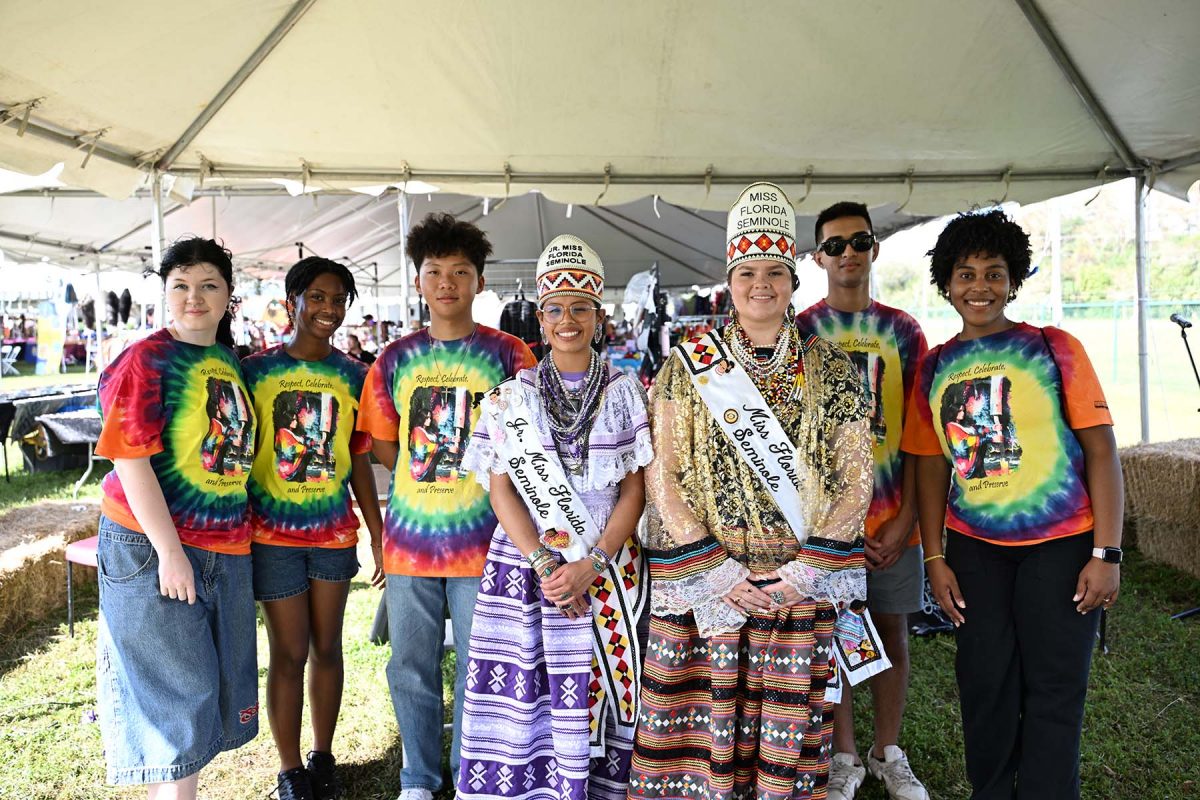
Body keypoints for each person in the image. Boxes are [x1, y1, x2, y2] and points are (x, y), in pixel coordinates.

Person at [629, 183, 880, 800]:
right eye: (747, 272)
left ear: (795, 279)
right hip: (710, 580)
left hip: (797, 581)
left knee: (785, 747)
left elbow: (854, 483)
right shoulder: (687, 366)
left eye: (774, 271)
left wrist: (801, 573)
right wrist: (716, 572)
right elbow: (662, 473)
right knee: (698, 745)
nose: (760, 284)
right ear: (729, 278)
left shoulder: (834, 369)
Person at [900, 209, 1123, 799]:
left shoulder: (1056, 347)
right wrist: (933, 557)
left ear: (1014, 279)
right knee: (984, 682)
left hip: (1063, 544)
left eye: (994, 273)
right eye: (966, 273)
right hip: (976, 553)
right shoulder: (934, 366)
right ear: (946, 282)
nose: (980, 287)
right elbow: (929, 465)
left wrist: (1108, 553)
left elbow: (1102, 452)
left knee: (1055, 686)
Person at [456, 236, 652, 800]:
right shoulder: (509, 397)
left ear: (599, 317)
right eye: (556, 310)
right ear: (540, 322)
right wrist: (545, 563)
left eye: (580, 308)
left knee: (607, 687)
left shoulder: (624, 392)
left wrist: (593, 563)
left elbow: (634, 493)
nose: (568, 320)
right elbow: (501, 493)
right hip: (528, 565)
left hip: (609, 561)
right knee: (531, 691)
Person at [357, 213, 536, 800]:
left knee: (479, 673)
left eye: (461, 272)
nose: (447, 283)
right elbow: (385, 443)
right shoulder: (393, 359)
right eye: (435, 272)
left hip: (489, 545)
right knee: (410, 666)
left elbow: (532, 445)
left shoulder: (511, 355)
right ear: (419, 282)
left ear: (480, 282)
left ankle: (469, 775)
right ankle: (417, 778)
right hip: (410, 544)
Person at [93, 237, 257, 799]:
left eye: (209, 284)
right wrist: (169, 551)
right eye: (181, 286)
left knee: (204, 694)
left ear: (229, 295)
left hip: (220, 546)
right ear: (165, 294)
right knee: (177, 700)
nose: (195, 297)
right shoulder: (147, 359)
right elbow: (128, 458)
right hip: (154, 546)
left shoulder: (226, 360)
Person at [798, 202, 929, 800]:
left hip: (891, 523)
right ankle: (843, 754)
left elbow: (922, 437)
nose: (847, 253)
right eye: (834, 244)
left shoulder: (904, 331)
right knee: (833, 637)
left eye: (859, 241)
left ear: (875, 249)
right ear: (817, 256)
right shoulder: (799, 330)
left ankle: (888, 751)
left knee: (892, 632)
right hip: (823, 527)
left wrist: (907, 519)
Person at [242, 257, 385, 800]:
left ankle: (322, 757)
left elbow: (360, 463)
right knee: (289, 651)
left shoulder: (354, 376)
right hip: (272, 538)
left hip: (333, 536)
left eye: (339, 300)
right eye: (319, 297)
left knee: (328, 648)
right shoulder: (254, 371)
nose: (329, 309)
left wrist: (377, 532)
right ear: (292, 301)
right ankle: (289, 770)